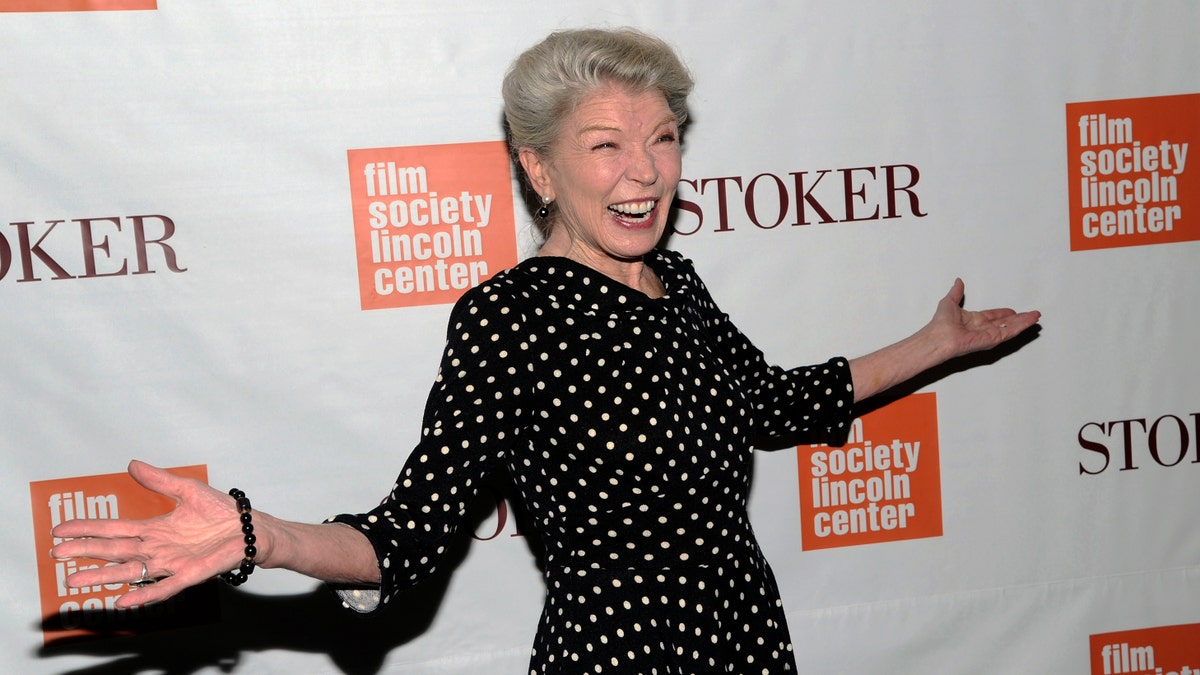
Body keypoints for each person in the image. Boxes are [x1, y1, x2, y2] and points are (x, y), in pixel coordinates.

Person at [50, 27, 1040, 674]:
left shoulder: (678, 285)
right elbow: (408, 534)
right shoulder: (510, 319)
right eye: (607, 144)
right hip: (620, 659)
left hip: (745, 645)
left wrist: (933, 346)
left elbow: (769, 401)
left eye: (664, 138)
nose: (646, 172)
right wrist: (260, 535)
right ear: (539, 168)